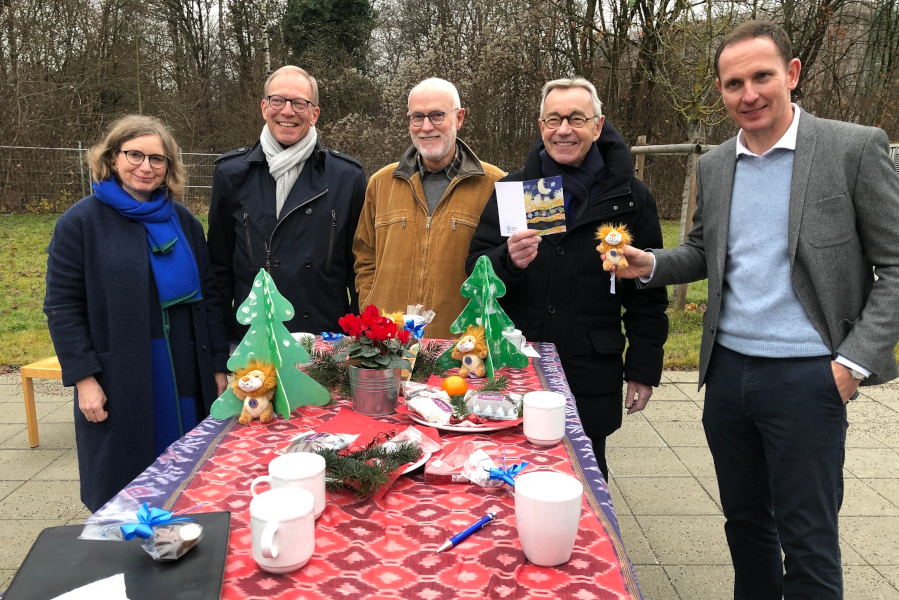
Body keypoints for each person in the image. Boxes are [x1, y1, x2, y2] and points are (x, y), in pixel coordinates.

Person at [612, 20, 899, 599]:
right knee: (745, 528)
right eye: (733, 82)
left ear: (792, 74)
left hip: (809, 379)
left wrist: (851, 365)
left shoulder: (853, 148)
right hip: (727, 377)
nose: (748, 94)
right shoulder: (715, 165)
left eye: (761, 76)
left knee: (809, 540)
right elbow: (702, 251)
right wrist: (649, 265)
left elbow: (895, 265)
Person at [467, 78, 669, 480]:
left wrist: (644, 369)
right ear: (541, 126)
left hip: (591, 369)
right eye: (554, 119)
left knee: (585, 478)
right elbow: (474, 271)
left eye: (577, 119)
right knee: (510, 472)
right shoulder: (512, 189)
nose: (564, 129)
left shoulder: (629, 196)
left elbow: (648, 293)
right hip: (520, 364)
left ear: (597, 126)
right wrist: (507, 262)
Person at [44, 115, 230, 512]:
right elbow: (62, 307)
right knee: (127, 484)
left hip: (186, 366)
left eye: (157, 159)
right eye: (135, 155)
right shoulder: (80, 223)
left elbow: (210, 297)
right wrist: (84, 379)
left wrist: (217, 364)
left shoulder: (184, 222)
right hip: (123, 373)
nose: (146, 167)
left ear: (169, 168)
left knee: (190, 472)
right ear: (112, 158)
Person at [207, 66, 365, 340]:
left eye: (299, 103)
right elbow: (219, 272)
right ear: (264, 107)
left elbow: (360, 271)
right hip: (252, 341)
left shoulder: (347, 177)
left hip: (325, 342)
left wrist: (359, 343)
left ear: (314, 114)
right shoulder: (231, 174)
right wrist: (219, 352)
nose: (288, 111)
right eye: (278, 100)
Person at [353, 78, 505, 339]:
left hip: (462, 347)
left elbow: (508, 264)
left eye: (437, 116)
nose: (426, 127)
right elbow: (365, 254)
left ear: (459, 118)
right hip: (388, 346)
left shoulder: (495, 184)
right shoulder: (381, 183)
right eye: (417, 117)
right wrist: (370, 304)